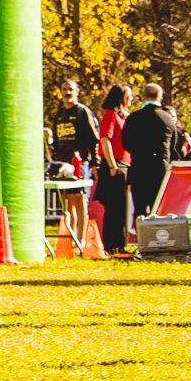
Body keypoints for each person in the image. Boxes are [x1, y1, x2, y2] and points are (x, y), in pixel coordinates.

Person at [49, 80, 100, 258]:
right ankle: (69, 241)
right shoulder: (60, 114)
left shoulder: (82, 112)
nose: (67, 92)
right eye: (64, 89)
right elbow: (55, 140)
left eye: (71, 89)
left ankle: (82, 240)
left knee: (79, 200)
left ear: (77, 91)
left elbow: (94, 139)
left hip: (80, 162)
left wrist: (95, 162)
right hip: (63, 165)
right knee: (67, 204)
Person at [119, 83, 179, 231]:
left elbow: (125, 142)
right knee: (157, 208)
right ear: (160, 97)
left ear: (143, 97)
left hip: (139, 166)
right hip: (160, 168)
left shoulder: (133, 118)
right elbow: (174, 145)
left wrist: (139, 150)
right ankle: (157, 240)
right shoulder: (167, 119)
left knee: (139, 208)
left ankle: (141, 241)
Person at [93, 85, 131, 253]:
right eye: (128, 96)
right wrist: (112, 165)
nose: (131, 99)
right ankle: (111, 245)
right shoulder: (111, 115)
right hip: (114, 165)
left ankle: (119, 244)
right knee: (113, 207)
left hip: (123, 164)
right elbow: (105, 140)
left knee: (121, 208)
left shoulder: (122, 116)